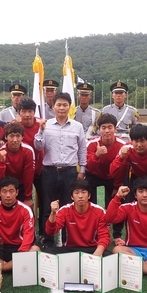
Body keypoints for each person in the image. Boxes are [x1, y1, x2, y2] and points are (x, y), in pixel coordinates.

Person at [34, 92, 87, 247]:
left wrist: (82, 169)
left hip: (70, 172)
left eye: (65, 105)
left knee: (67, 207)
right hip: (49, 171)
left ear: (69, 106)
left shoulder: (77, 127)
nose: (62, 108)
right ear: (53, 106)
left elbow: (82, 149)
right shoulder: (46, 124)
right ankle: (47, 240)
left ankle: (66, 240)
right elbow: (38, 146)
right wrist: (41, 130)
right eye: (59, 105)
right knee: (46, 207)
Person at [109, 123, 147, 241]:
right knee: (127, 203)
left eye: (142, 141)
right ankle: (118, 235)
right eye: (135, 141)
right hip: (136, 177)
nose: (138, 145)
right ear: (131, 141)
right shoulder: (126, 149)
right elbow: (113, 171)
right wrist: (121, 157)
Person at [44, 179, 110, 255]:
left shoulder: (99, 211)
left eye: (83, 192)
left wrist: (99, 251)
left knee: (109, 256)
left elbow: (104, 236)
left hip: (91, 249)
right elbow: (50, 232)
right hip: (70, 249)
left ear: (89, 195)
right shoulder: (65, 210)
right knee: (48, 253)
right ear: (72, 197)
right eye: (76, 193)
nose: (80, 196)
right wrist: (52, 213)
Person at [85, 113, 126, 212]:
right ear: (99, 130)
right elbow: (89, 167)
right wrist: (97, 155)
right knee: (87, 198)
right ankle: (92, 219)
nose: (107, 131)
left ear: (115, 129)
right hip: (94, 174)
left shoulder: (123, 145)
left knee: (115, 201)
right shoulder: (91, 144)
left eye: (110, 127)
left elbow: (122, 169)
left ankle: (116, 226)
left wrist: (117, 186)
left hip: (112, 176)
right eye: (103, 128)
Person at [18, 97, 45, 229]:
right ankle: (25, 230)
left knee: (44, 202)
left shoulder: (42, 124)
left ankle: (44, 232)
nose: (27, 115)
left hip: (40, 171)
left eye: (30, 111)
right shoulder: (14, 126)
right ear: (19, 113)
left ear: (34, 112)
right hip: (21, 173)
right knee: (23, 202)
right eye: (24, 111)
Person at [0, 122, 35, 207]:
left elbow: (28, 176)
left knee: (27, 210)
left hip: (21, 185)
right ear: (6, 137)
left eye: (18, 136)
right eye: (11, 136)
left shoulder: (28, 151)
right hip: (3, 185)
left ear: (22, 137)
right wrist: (1, 163)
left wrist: (27, 198)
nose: (15, 140)